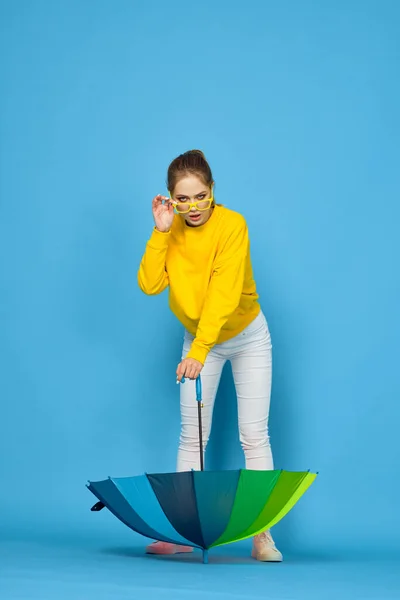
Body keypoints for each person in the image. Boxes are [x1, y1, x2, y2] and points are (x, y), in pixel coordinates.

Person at [137, 150, 282, 562]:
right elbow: (149, 284)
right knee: (192, 436)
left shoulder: (232, 225)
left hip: (246, 337)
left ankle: (262, 535)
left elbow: (223, 294)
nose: (194, 207)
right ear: (170, 199)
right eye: (183, 199)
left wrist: (200, 351)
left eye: (201, 196)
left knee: (254, 435)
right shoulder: (173, 230)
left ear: (212, 190)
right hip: (199, 343)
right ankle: (183, 531)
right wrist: (160, 232)